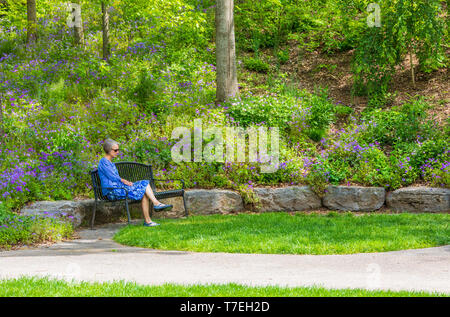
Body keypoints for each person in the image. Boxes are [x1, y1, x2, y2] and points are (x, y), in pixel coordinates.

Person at [97, 138, 173, 227]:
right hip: (112, 191)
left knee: (144, 186)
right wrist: (124, 181)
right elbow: (112, 177)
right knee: (144, 185)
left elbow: (115, 177)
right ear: (108, 150)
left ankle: (149, 220)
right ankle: (156, 204)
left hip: (119, 188)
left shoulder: (109, 162)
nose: (118, 152)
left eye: (118, 150)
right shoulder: (104, 162)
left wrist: (126, 182)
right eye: (116, 150)